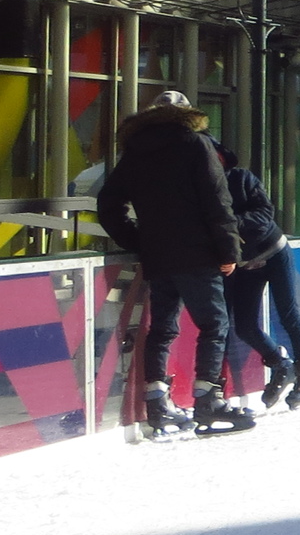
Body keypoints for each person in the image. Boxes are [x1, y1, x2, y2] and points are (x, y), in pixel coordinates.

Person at [95, 92, 251, 437]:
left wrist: (137, 239)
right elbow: (217, 199)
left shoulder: (136, 151)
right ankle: (208, 399)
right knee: (214, 324)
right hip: (198, 254)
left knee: (162, 328)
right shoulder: (196, 144)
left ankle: (157, 400)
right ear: (186, 114)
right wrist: (229, 251)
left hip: (158, 255)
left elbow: (108, 203)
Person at [215, 143, 300, 411]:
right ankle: (278, 362)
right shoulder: (201, 189)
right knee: (244, 325)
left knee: (288, 312)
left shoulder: (241, 178)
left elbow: (265, 213)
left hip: (273, 251)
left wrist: (230, 223)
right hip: (244, 263)